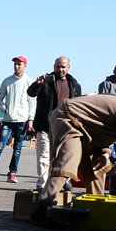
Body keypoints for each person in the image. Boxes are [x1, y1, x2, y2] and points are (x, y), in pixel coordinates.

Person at [33, 93, 116, 221]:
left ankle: (95, 207)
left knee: (97, 165)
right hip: (68, 118)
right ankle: (43, 207)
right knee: (68, 159)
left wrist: (105, 153)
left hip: (85, 128)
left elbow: (102, 128)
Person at [27, 56, 82, 190]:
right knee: (44, 156)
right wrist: (37, 83)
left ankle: (65, 180)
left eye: (63, 67)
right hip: (45, 126)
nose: (60, 69)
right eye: (58, 66)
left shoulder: (75, 85)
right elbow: (31, 93)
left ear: (68, 67)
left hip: (66, 127)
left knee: (65, 155)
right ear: (54, 66)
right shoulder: (45, 81)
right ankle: (43, 184)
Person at [0, 56, 35, 183]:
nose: (17, 66)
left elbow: (32, 102)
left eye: (19, 64)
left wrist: (30, 119)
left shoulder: (29, 82)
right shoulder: (7, 81)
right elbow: (0, 97)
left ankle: (12, 173)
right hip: (7, 120)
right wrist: (4, 109)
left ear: (25, 65)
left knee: (17, 148)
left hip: (22, 120)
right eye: (15, 64)